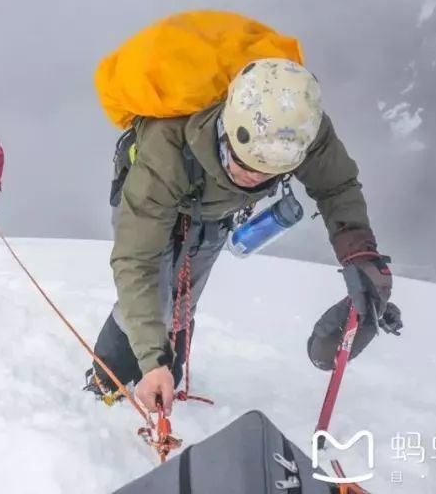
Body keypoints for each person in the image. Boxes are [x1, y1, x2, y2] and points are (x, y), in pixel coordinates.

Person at [85, 56, 402, 413]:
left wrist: (358, 252)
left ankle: (165, 378)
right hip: (153, 201)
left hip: (214, 214)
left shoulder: (300, 128)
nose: (252, 178)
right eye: (242, 164)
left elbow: (337, 185)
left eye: (266, 173)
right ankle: (105, 383)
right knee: (146, 301)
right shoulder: (167, 148)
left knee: (183, 304)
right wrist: (151, 359)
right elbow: (136, 261)